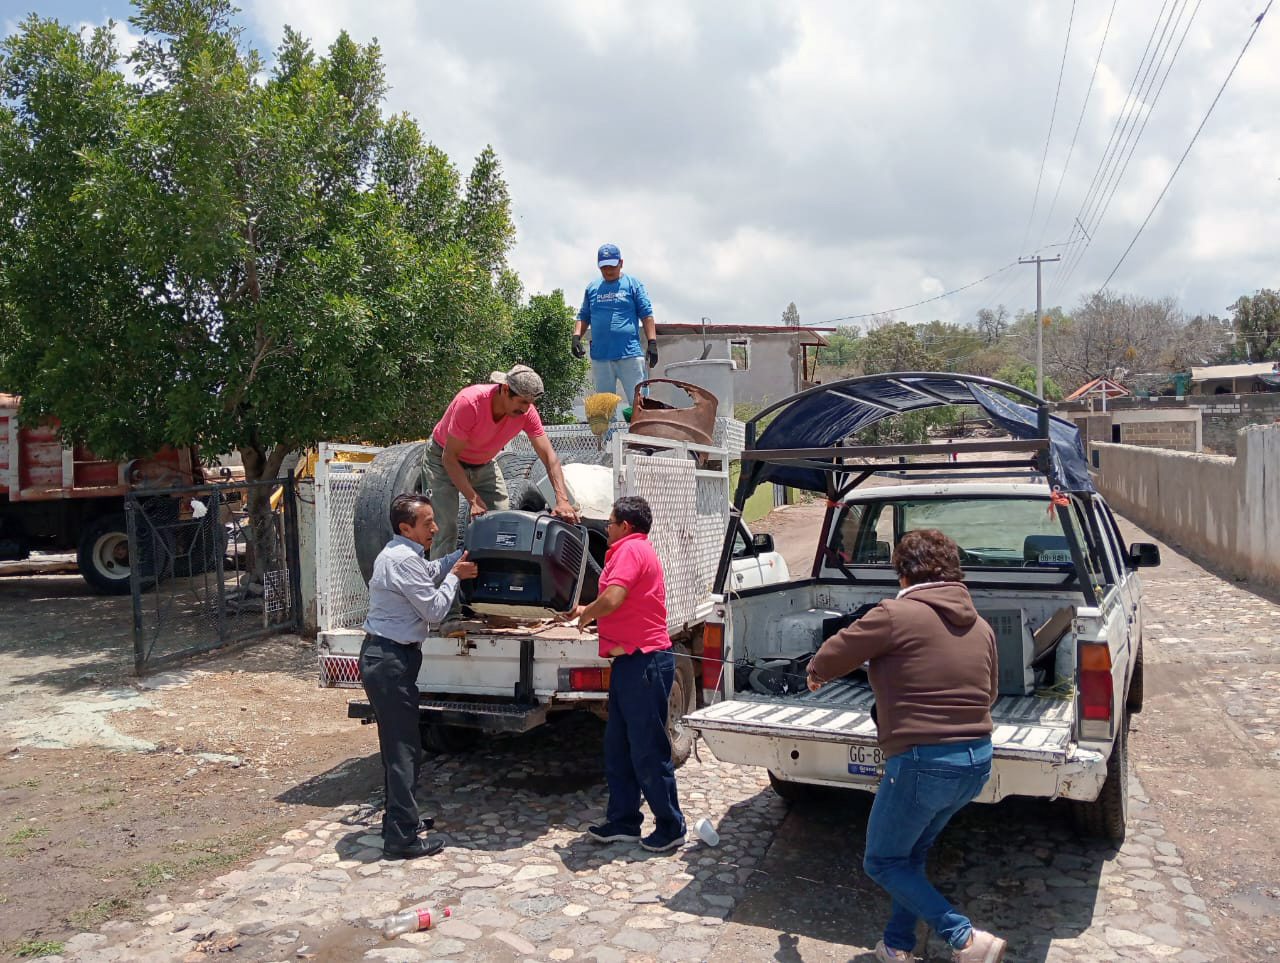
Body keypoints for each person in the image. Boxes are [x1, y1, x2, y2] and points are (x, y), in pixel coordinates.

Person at [806, 529, 1005, 963]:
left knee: (881, 861)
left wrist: (815, 673)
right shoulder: (983, 626)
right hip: (976, 761)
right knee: (909, 855)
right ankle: (897, 946)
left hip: (921, 763)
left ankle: (966, 939)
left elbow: (828, 658)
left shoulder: (894, 614)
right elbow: (988, 695)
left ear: (904, 573)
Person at [562, 495, 686, 853]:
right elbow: (620, 601)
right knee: (618, 747)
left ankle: (671, 825)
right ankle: (624, 820)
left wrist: (587, 616)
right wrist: (586, 610)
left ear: (626, 527)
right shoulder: (633, 550)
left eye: (611, 521)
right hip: (630, 665)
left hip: (644, 663)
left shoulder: (631, 551)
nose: (607, 527)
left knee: (648, 750)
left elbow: (614, 598)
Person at [359, 493, 477, 860]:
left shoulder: (404, 556)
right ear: (405, 527)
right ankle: (401, 838)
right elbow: (436, 610)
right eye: (428, 523)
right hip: (389, 661)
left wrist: (455, 556)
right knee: (404, 750)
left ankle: (401, 818)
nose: (435, 528)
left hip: (391, 659)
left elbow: (428, 572)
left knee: (400, 748)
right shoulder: (400, 560)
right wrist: (455, 577)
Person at [422, 365, 579, 626]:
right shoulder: (470, 403)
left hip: (483, 463)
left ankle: (495, 608)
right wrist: (472, 499)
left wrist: (562, 500)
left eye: (530, 403)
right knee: (446, 529)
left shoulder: (527, 413)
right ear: (505, 390)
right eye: (521, 402)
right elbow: (450, 458)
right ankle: (445, 614)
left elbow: (549, 458)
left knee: (503, 527)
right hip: (443, 460)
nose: (526, 409)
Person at [572, 243, 658, 406]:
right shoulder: (592, 288)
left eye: (612, 266)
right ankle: (607, 433)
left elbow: (646, 315)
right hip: (601, 358)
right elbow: (584, 315)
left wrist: (652, 342)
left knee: (640, 404)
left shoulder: (633, 284)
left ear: (621, 263)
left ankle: (640, 432)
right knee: (604, 409)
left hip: (630, 355)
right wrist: (576, 337)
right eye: (604, 267)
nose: (608, 270)